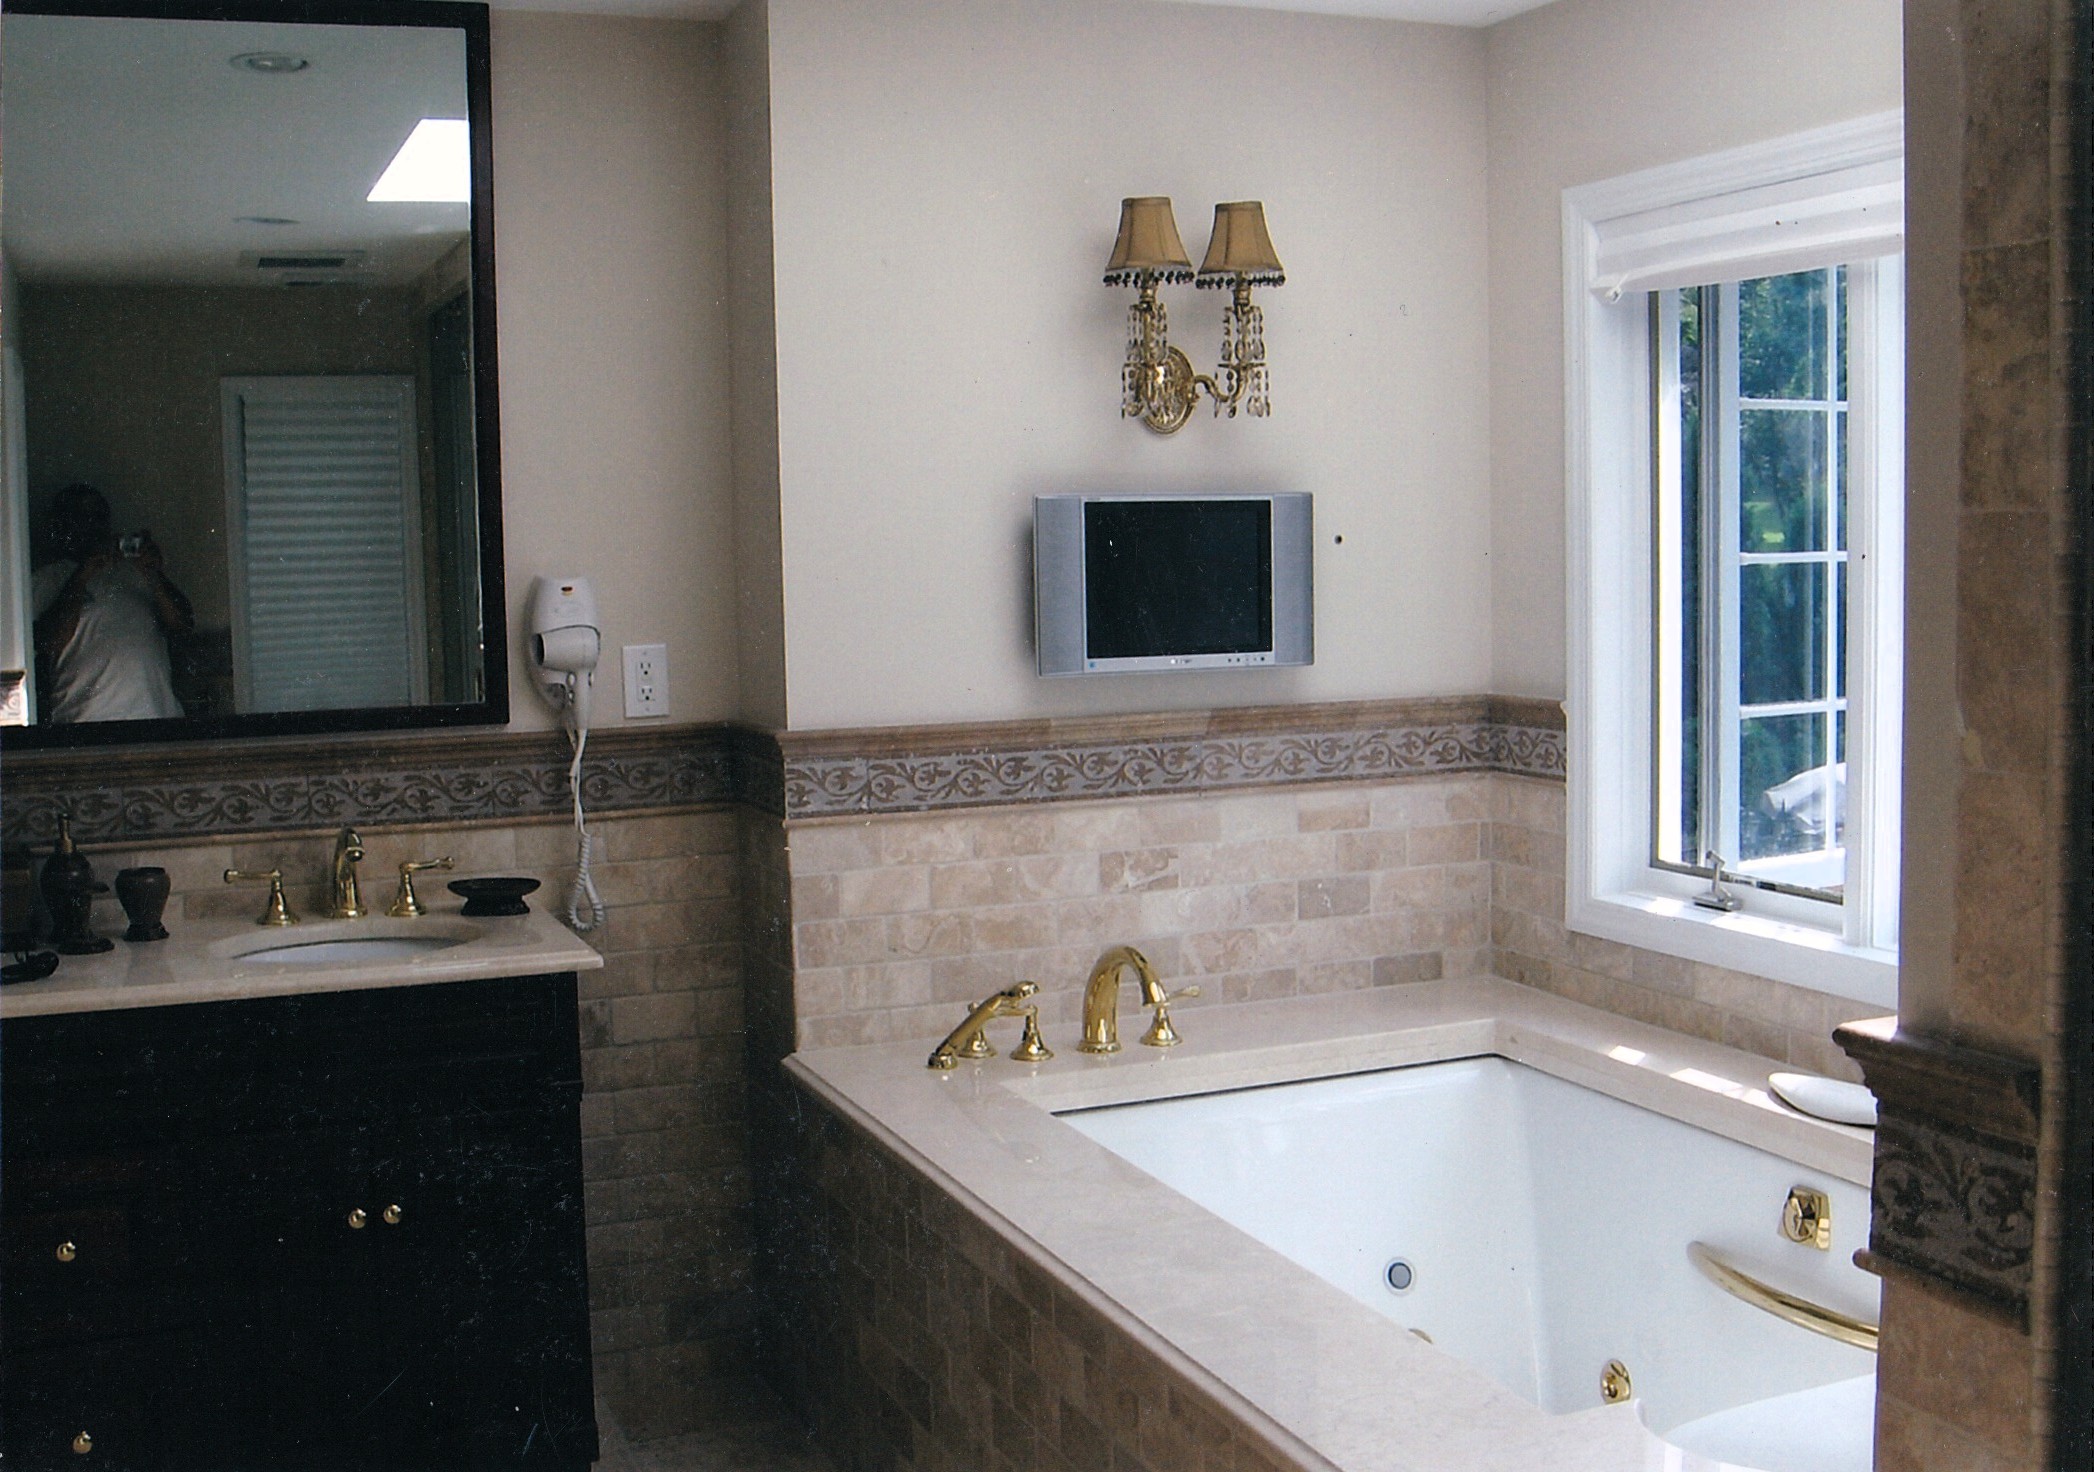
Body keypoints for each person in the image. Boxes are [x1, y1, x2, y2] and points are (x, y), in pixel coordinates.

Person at [31, 483, 193, 723]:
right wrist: (84, 573)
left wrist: (153, 573)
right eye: (81, 517)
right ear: (61, 525)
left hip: (155, 716)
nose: (92, 526)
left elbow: (183, 625)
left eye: (99, 517)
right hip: (84, 721)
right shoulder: (47, 579)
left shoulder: (135, 571)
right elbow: (50, 641)